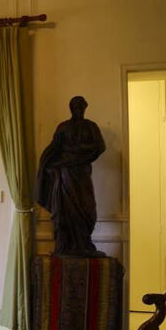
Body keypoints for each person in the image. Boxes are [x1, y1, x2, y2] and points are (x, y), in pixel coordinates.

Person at [35, 96, 106, 256]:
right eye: (75, 107)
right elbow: (54, 148)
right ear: (71, 108)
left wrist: (79, 151)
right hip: (65, 174)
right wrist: (46, 163)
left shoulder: (91, 127)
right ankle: (64, 245)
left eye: (81, 107)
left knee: (87, 208)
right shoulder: (64, 127)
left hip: (82, 173)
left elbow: (100, 146)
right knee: (64, 209)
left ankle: (84, 243)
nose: (78, 110)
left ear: (85, 108)